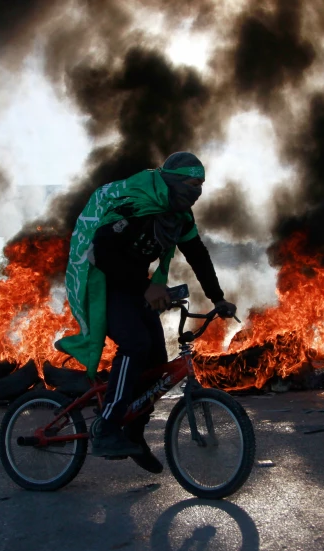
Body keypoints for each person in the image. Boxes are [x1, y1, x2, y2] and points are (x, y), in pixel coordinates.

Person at [58, 152, 236, 472]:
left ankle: (134, 433)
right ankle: (107, 427)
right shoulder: (135, 206)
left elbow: (197, 255)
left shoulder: (180, 217)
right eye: (192, 183)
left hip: (134, 285)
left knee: (155, 360)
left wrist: (217, 297)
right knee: (135, 344)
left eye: (201, 185)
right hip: (101, 282)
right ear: (172, 181)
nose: (197, 191)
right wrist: (146, 288)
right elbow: (103, 254)